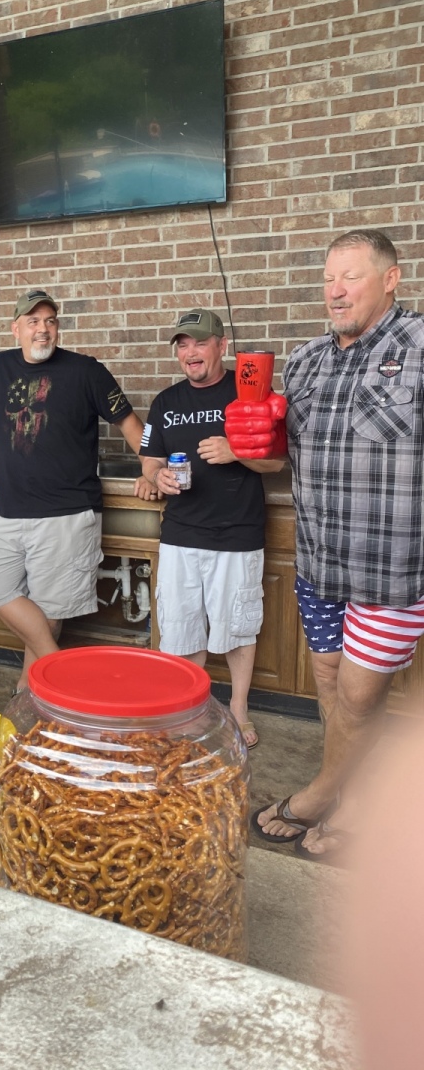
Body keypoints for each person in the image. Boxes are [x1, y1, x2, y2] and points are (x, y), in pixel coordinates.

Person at [236, 230, 424, 861]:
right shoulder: (305, 360)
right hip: (318, 563)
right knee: (330, 685)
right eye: (328, 279)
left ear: (391, 279)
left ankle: (318, 797)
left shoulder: (420, 347)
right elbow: (278, 463)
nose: (335, 291)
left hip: (392, 570)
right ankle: (352, 793)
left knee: (359, 696)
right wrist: (249, 442)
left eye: (351, 277)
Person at [0, 288, 154, 691]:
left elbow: (129, 422)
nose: (43, 329)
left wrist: (151, 467)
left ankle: (28, 691)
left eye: (50, 321)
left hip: (66, 513)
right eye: (33, 321)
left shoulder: (86, 371)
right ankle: (62, 679)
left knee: (49, 614)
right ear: (16, 329)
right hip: (8, 509)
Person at [139, 309, 285, 748]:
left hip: (236, 534)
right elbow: (149, 459)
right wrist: (157, 476)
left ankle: (238, 708)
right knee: (180, 628)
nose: (191, 352)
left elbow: (277, 462)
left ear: (222, 346)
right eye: (183, 345)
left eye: (200, 342)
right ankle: (189, 709)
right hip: (180, 535)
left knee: (238, 627)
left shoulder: (250, 394)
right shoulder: (166, 402)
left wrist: (237, 451)